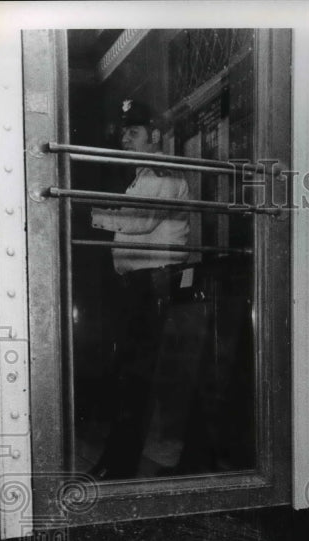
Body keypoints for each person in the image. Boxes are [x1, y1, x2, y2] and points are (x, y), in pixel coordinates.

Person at [88, 99, 191, 480]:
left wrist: (88, 215)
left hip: (156, 284)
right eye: (123, 132)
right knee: (132, 377)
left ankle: (124, 463)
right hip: (142, 286)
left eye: (133, 132)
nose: (124, 139)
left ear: (155, 135)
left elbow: (140, 221)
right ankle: (120, 459)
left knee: (140, 380)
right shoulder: (144, 174)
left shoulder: (162, 173)